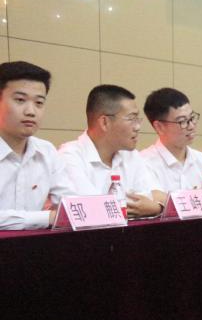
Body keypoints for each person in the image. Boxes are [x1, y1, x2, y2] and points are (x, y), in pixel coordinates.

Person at [58, 84, 162, 218]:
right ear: (104, 122)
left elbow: (144, 202)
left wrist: (155, 208)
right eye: (131, 118)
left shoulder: (131, 156)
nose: (137, 127)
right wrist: (149, 208)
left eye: (137, 119)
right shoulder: (69, 156)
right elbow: (88, 210)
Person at [0, 61, 81, 230]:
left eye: (39, 103)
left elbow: (71, 203)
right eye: (20, 100)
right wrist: (48, 217)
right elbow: (56, 217)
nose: (31, 111)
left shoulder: (46, 151)